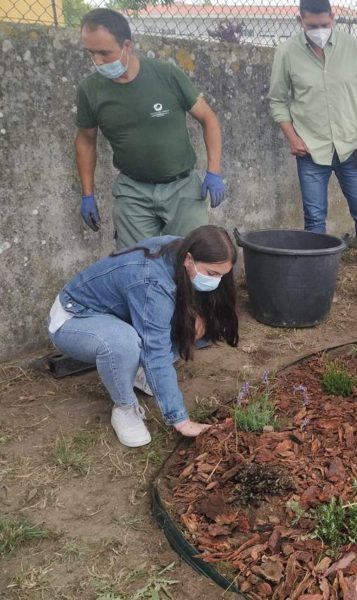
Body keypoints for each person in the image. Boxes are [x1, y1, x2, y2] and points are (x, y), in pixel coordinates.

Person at [47, 226, 239, 447]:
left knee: (199, 325)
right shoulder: (151, 280)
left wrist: (199, 313)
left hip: (119, 313)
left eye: (222, 276)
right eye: (212, 274)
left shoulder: (184, 249)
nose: (216, 282)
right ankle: (125, 408)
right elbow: (155, 349)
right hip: (74, 319)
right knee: (123, 342)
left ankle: (137, 371)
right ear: (189, 258)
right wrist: (181, 420)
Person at [75, 8, 226, 249]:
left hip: (182, 189)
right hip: (133, 192)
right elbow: (85, 139)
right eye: (91, 53)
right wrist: (87, 194)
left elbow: (208, 119)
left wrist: (214, 171)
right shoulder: (90, 91)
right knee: (136, 264)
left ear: (127, 45)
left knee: (188, 258)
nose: (98, 61)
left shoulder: (166, 75)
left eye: (104, 53)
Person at [268, 0, 357, 298]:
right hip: (310, 150)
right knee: (315, 220)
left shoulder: (352, 47)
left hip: (351, 148)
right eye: (312, 26)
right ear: (299, 21)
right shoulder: (287, 53)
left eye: (324, 24)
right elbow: (277, 101)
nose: (319, 31)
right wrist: (292, 138)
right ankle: (317, 283)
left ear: (334, 17)